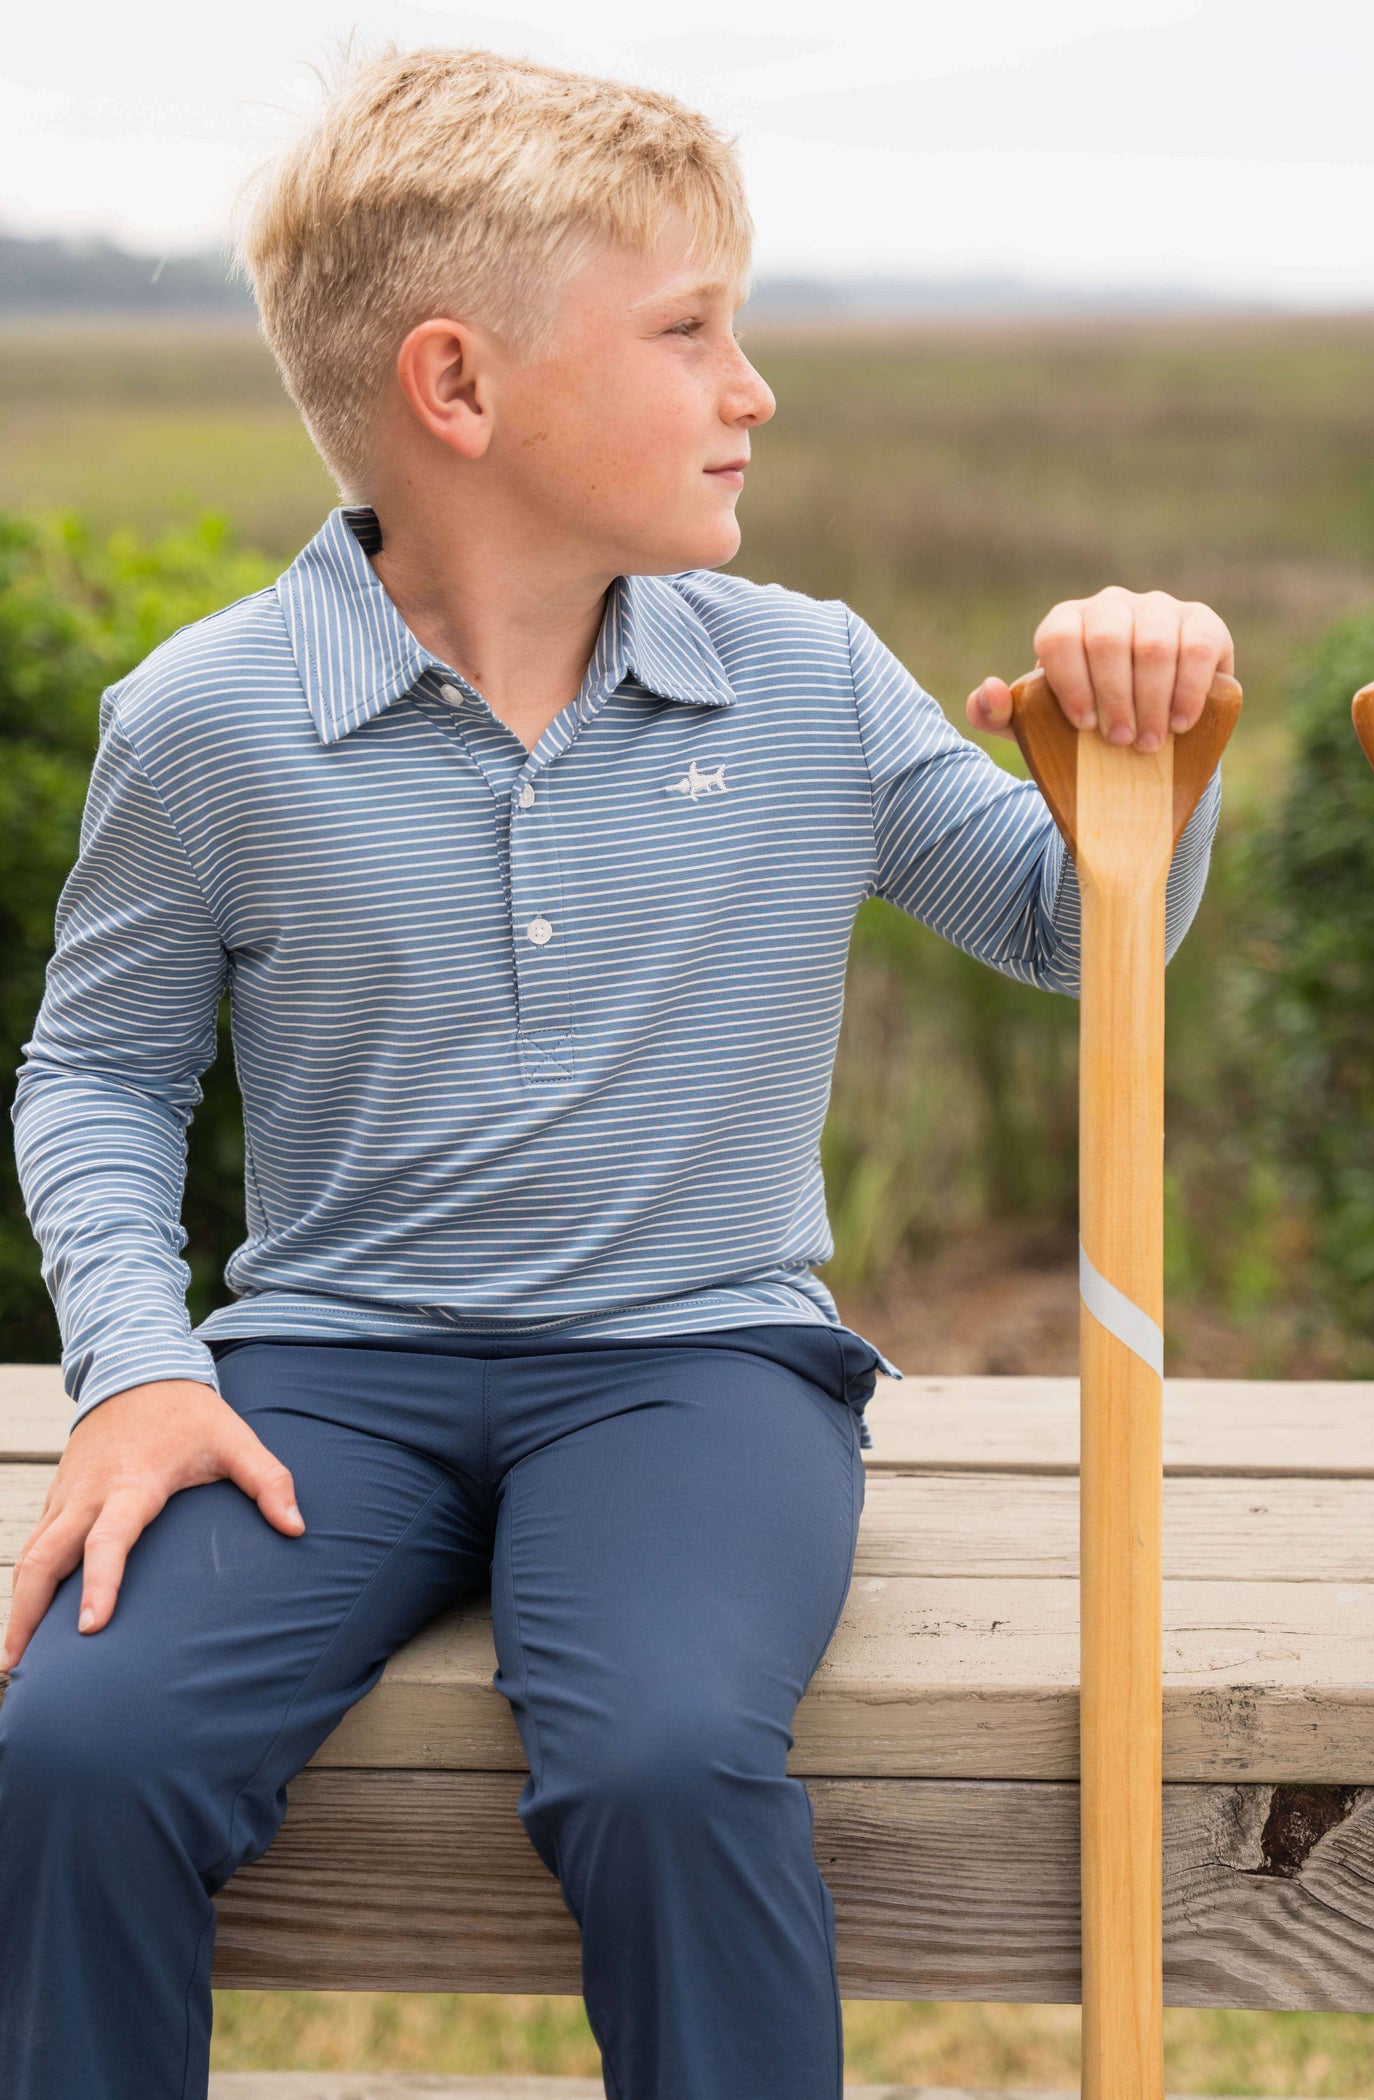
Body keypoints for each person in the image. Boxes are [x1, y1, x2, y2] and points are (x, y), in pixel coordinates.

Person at [0, 43, 1236, 2100]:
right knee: (76, 1747)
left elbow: (1068, 926)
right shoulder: (207, 719)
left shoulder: (810, 677)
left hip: (699, 1367)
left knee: (663, 1758)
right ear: (458, 391)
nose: (751, 386)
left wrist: (1144, 752)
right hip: (327, 1371)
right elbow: (98, 1074)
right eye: (689, 331)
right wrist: (139, 1362)